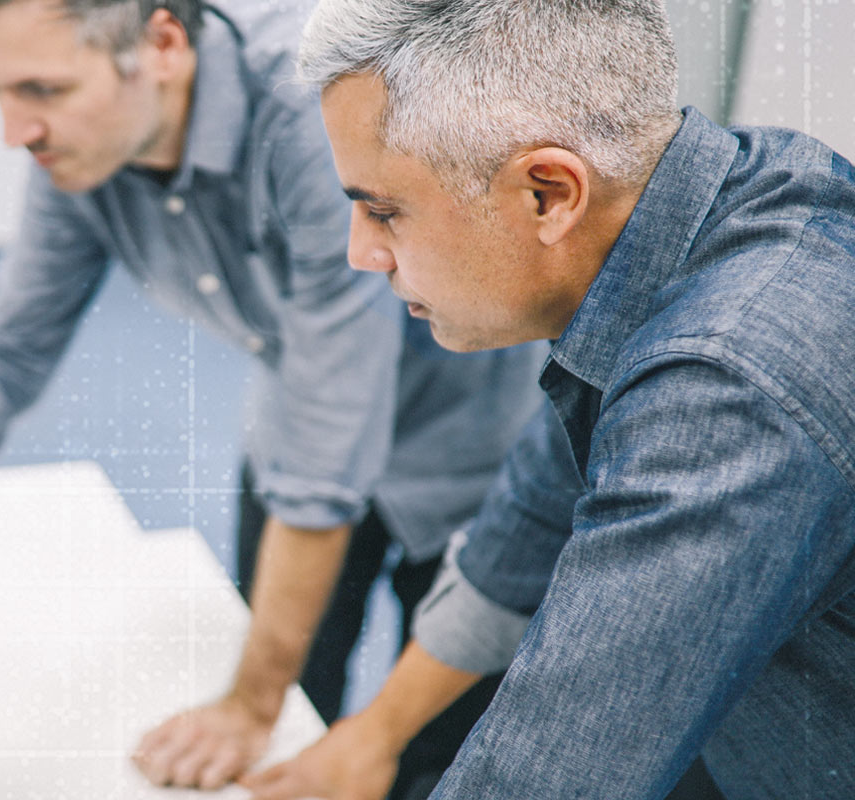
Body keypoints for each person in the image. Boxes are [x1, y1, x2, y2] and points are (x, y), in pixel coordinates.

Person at [0, 0, 544, 795]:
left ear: (159, 42)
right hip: (298, 435)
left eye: (41, 87)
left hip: (473, 457)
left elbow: (327, 450)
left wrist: (248, 702)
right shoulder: (81, 151)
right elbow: (4, 361)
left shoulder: (309, 114)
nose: (14, 130)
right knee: (288, 740)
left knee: (443, 760)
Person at [234, 0, 855, 798]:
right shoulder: (715, 193)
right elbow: (526, 526)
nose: (361, 252)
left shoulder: (726, 389)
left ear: (549, 193)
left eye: (384, 209)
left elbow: (554, 769)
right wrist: (373, 737)